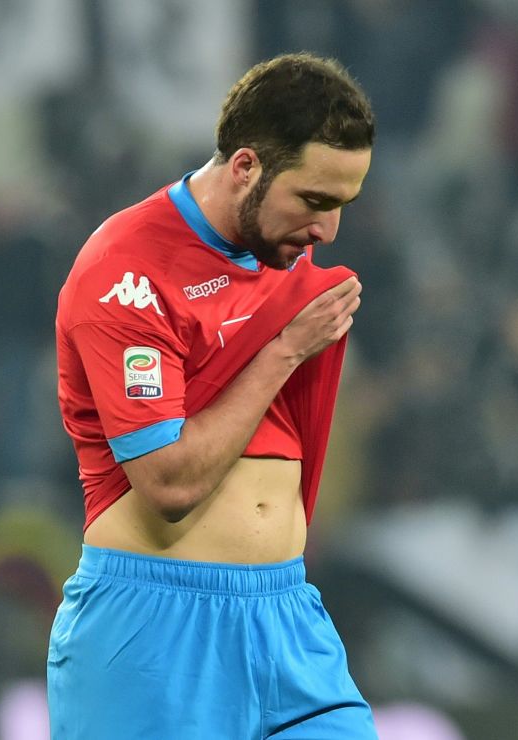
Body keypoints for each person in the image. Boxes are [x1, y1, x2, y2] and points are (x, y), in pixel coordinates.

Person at [50, 53, 378, 739]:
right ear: (246, 166)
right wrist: (285, 351)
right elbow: (168, 483)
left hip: (287, 617)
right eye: (314, 201)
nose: (328, 231)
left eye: (343, 204)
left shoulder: (287, 261)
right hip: (153, 631)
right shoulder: (128, 270)